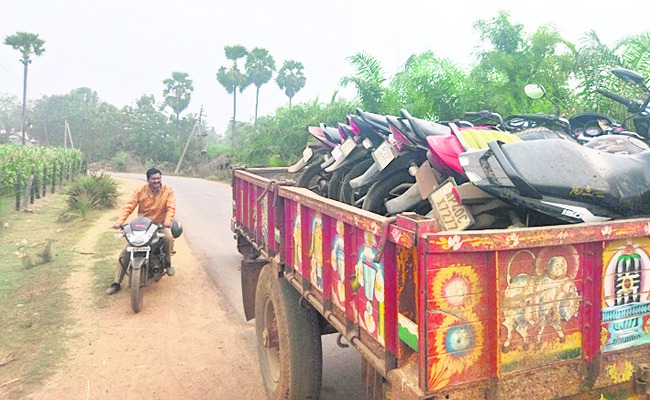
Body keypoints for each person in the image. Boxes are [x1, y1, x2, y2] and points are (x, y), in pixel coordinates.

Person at [106, 168, 176, 295]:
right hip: (143, 225)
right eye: (153, 179)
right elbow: (129, 206)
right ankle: (116, 283)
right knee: (127, 251)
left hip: (160, 224)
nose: (156, 181)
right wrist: (120, 221)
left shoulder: (168, 190)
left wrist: (168, 220)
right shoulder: (140, 191)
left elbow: (171, 207)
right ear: (148, 180)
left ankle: (168, 262)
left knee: (168, 238)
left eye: (158, 178)